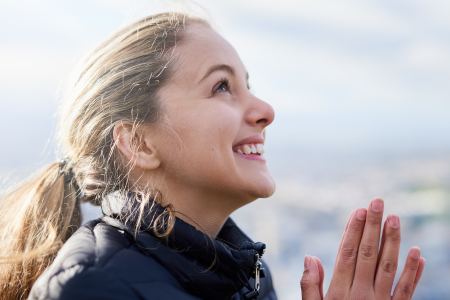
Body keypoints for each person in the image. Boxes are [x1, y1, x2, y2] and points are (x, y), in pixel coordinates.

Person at [0, 12, 424, 300]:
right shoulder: (92, 288)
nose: (265, 111)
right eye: (222, 86)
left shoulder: (247, 275)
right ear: (140, 143)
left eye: (248, 85)